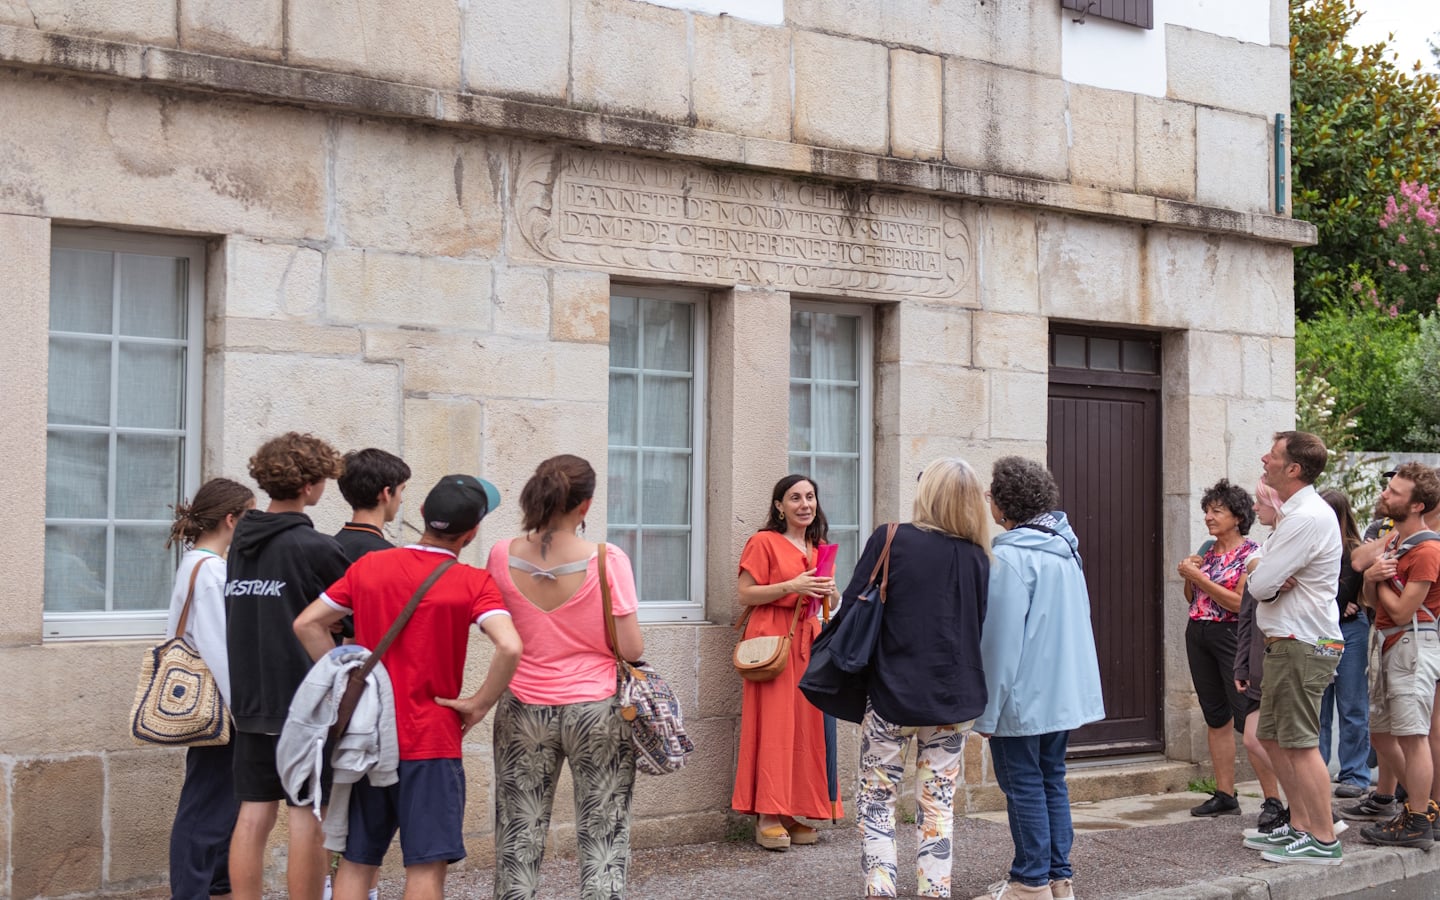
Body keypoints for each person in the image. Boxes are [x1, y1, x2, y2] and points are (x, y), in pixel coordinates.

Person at [293, 474, 523, 900]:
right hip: (432, 739)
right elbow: (509, 645)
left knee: (358, 861)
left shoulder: (368, 568)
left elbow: (307, 623)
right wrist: (478, 704)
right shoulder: (472, 583)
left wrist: (343, 676)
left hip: (367, 737)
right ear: (471, 533)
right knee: (425, 866)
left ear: (420, 516)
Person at [485, 455, 645, 899]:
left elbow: (494, 629)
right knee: (604, 833)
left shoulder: (501, 555)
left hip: (522, 705)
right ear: (586, 505)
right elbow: (632, 649)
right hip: (596, 708)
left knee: (519, 831)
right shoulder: (607, 559)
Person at [844, 458, 990, 899]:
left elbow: (854, 605)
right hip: (953, 700)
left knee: (876, 801)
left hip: (892, 694)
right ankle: (933, 892)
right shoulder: (978, 557)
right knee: (937, 806)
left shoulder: (893, 539)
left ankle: (881, 889)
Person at [224, 432, 351, 900]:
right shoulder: (314, 547)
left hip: (250, 698)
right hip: (303, 699)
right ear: (310, 486)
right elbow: (347, 619)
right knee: (306, 814)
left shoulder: (241, 544)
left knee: (253, 813)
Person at [973, 457, 1104, 900]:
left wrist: (987, 712)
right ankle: (1057, 879)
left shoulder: (1009, 558)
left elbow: (1000, 645)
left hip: (1022, 696)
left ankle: (1030, 882)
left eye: (992, 495)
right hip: (1059, 692)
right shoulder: (1064, 549)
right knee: (1050, 779)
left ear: (1005, 504)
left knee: (1024, 784)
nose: (988, 502)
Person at [1241, 431, 1344, 866]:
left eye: (1274, 455)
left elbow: (1259, 583)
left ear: (1293, 469)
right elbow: (1255, 563)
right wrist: (1263, 570)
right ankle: (1301, 826)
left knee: (1300, 744)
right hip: (1289, 640)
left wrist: (1263, 574)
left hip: (1303, 641)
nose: (1264, 459)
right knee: (1272, 737)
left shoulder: (1304, 518)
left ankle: (1323, 838)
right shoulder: (1296, 515)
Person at [731, 474, 841, 851]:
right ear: (779, 505)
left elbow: (825, 603)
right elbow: (745, 593)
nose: (804, 504)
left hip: (809, 642)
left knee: (805, 730)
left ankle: (792, 810)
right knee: (775, 727)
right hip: (773, 642)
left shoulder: (818, 546)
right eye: (795, 498)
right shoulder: (763, 542)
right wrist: (790, 587)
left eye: (810, 496)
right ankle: (767, 814)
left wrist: (831, 592)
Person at [166, 478, 255, 900]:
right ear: (231, 518)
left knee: (216, 802)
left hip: (214, 703)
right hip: (221, 705)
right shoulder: (212, 570)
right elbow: (220, 647)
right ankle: (194, 891)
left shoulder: (198, 564)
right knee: (206, 807)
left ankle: (214, 886)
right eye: (249, 515)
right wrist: (245, 709)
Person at [1354, 463, 1440, 847]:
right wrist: (1372, 580)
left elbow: (1404, 610)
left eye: (1395, 492)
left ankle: (1419, 818)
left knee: (1412, 736)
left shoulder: (1427, 550)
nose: (1385, 495)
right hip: (1388, 641)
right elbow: (1371, 602)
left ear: (1418, 505)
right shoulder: (1393, 543)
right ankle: (1422, 809)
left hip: (1412, 643)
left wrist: (1379, 578)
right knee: (1382, 735)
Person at [1177, 479, 1258, 817]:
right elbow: (1191, 598)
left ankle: (1273, 799)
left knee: (1250, 717)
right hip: (1199, 631)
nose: (1209, 517)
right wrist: (1189, 577)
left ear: (1237, 517)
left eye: (1217, 511)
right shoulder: (1207, 549)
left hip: (1232, 636)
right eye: (1207, 511)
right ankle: (1225, 793)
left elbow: (1240, 604)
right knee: (1215, 715)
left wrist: (1199, 579)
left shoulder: (1251, 555)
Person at [1234, 480, 1288, 837]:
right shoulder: (1266, 548)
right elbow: (1247, 612)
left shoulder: (1288, 545)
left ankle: (1304, 810)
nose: (1255, 510)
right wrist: (1241, 664)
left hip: (1287, 653)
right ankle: (1276, 802)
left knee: (1287, 742)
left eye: (1260, 503)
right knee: (1254, 738)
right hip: (1258, 658)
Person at [1318, 489, 1372, 799]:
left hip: (1350, 632)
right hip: (1324, 632)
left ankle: (1355, 775)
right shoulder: (1316, 547)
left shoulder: (1353, 551)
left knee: (1352, 705)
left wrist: (1340, 602)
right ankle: (1318, 769)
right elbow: (1334, 601)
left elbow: (1341, 598)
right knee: (1320, 706)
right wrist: (1339, 602)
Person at [333, 448, 411, 562]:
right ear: (387, 493)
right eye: (401, 490)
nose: (401, 500)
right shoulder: (388, 556)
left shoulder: (330, 548)